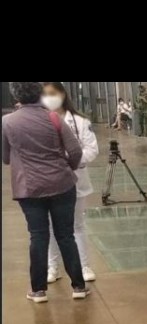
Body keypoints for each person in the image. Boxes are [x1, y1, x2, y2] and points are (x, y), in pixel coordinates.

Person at [2, 82, 89, 303]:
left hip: (29, 188)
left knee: (38, 236)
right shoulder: (53, 118)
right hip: (62, 185)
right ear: (39, 94)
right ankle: (79, 286)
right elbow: (75, 151)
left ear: (16, 96)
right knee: (66, 235)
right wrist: (67, 168)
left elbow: (5, 157)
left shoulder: (8, 122)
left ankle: (38, 290)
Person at [41, 82, 100, 285]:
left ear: (63, 94)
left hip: (76, 178)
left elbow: (91, 149)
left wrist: (69, 160)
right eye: (45, 94)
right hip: (49, 181)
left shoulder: (80, 121)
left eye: (53, 93)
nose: (49, 98)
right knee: (50, 226)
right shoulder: (40, 121)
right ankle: (53, 267)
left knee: (77, 225)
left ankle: (84, 266)